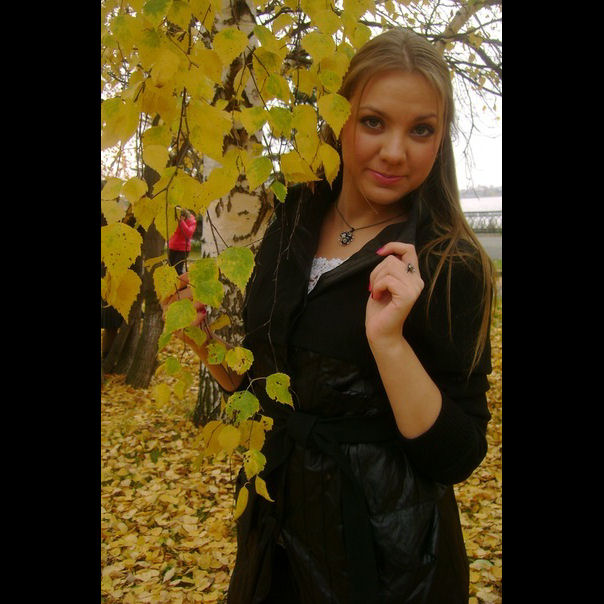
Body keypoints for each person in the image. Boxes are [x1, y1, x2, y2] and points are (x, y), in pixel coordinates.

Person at [162, 28, 496, 604]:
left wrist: (389, 344)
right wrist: (206, 345)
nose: (395, 151)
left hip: (388, 563)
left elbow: (458, 455)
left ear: (441, 139)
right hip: (275, 537)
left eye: (421, 129)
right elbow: (270, 393)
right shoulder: (293, 217)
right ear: (338, 120)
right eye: (373, 122)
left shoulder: (447, 262)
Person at [168, 207, 197, 275]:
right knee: (170, 268)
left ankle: (182, 281)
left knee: (178, 269)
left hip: (183, 249)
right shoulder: (173, 219)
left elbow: (188, 234)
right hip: (172, 246)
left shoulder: (192, 221)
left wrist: (181, 221)